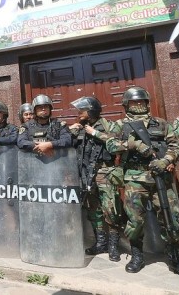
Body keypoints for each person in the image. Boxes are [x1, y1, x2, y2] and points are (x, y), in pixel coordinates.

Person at [106, 87, 179, 282]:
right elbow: (110, 145)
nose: (138, 105)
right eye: (133, 102)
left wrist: (166, 161)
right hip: (134, 178)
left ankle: (176, 259)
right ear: (126, 105)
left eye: (141, 102)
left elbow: (175, 146)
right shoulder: (120, 125)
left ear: (147, 103)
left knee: (170, 218)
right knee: (135, 220)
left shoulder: (162, 124)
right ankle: (138, 255)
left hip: (160, 178)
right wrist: (133, 144)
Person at [68, 96, 122, 262]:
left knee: (110, 208)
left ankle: (113, 246)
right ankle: (101, 242)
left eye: (82, 110)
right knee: (94, 209)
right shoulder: (81, 127)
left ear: (91, 110)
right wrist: (71, 132)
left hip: (104, 171)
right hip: (86, 174)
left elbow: (118, 143)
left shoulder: (108, 125)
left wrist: (96, 133)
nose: (79, 113)